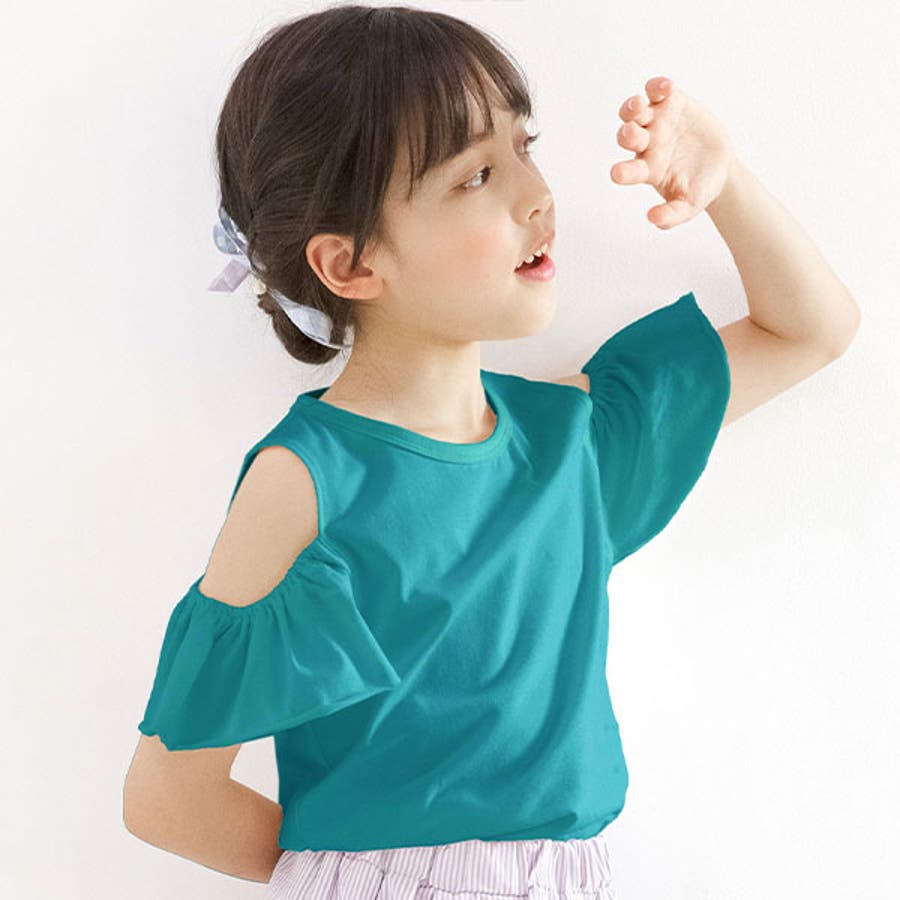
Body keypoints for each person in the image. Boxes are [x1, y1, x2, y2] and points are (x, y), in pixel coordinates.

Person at [122, 3, 860, 899]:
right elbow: (169, 798)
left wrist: (724, 180)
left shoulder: (571, 445)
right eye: (474, 175)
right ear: (351, 265)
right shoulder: (305, 481)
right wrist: (359, 873)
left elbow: (811, 329)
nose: (536, 194)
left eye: (524, 146)